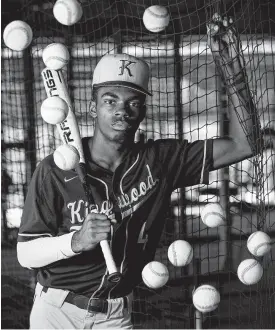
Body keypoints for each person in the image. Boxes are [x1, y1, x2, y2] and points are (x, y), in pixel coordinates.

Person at [17, 15, 261, 329]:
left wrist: (232, 67)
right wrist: (75, 241)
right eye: (110, 100)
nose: (122, 110)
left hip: (116, 313)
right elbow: (26, 253)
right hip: (57, 310)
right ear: (93, 108)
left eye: (133, 103)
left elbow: (245, 145)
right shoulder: (55, 168)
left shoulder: (162, 159)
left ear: (143, 112)